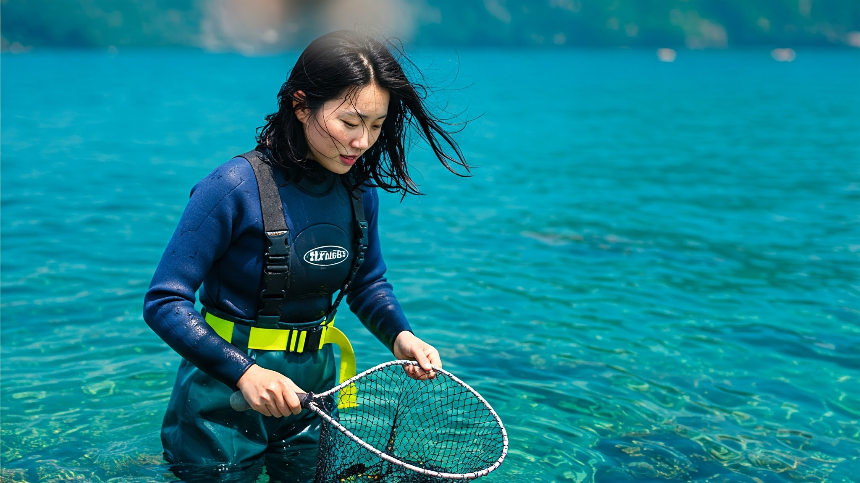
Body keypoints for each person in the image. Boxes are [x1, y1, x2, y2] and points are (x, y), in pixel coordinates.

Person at [142, 30, 468, 482]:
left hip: (316, 393)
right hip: (223, 396)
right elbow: (164, 302)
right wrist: (245, 374)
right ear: (300, 104)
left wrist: (401, 337)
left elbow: (368, 283)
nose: (361, 143)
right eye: (350, 123)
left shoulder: (357, 191)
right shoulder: (232, 188)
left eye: (375, 126)